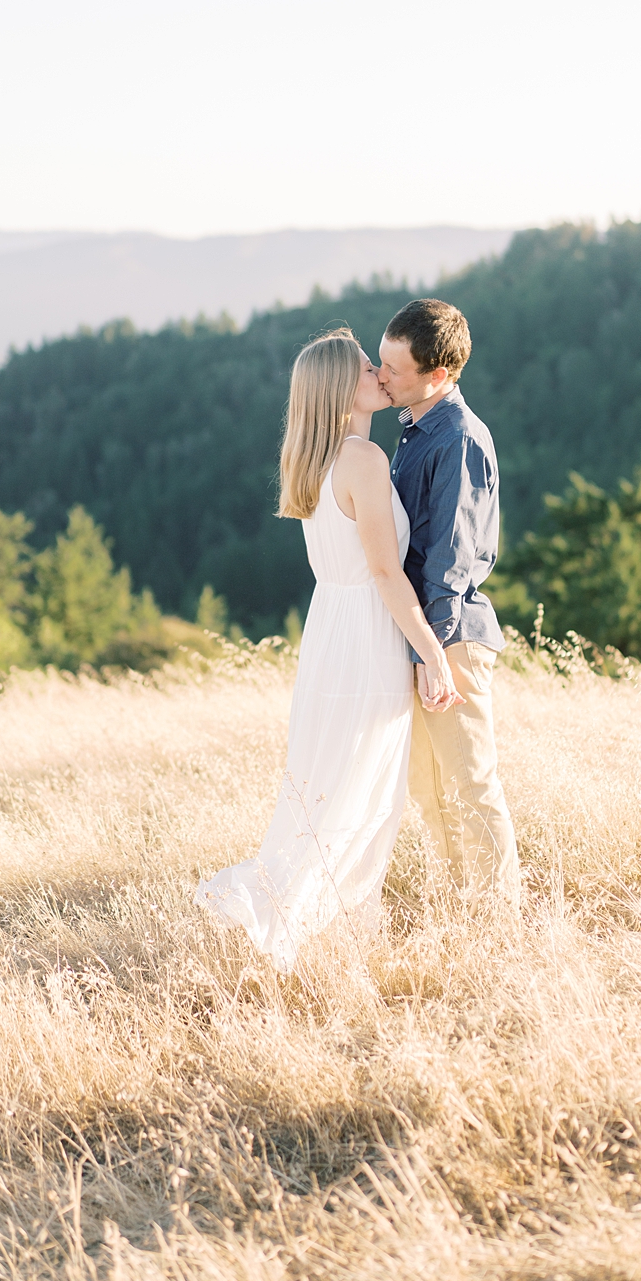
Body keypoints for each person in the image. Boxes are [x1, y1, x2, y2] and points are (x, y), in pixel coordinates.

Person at [195, 328, 461, 970]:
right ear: (342, 388)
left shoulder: (315, 459)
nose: (380, 372)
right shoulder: (363, 462)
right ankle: (302, 930)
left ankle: (331, 942)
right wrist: (432, 651)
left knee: (330, 786)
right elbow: (384, 572)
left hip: (330, 632)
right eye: (368, 367)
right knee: (362, 792)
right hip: (367, 632)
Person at [377, 298, 521, 907]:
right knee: (429, 789)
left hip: (450, 636)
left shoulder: (458, 437)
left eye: (393, 369)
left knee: (470, 783)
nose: (380, 376)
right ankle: (459, 909)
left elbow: (450, 562)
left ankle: (499, 921)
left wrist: (428, 650)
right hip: (426, 638)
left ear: (437, 376)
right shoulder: (418, 428)